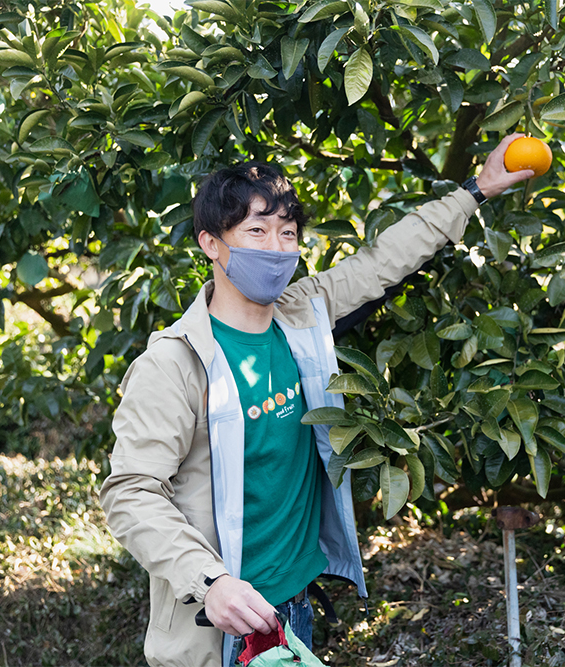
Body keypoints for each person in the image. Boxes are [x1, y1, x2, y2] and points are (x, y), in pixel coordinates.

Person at [99, 134, 535, 667]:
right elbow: (131, 492)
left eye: (287, 233)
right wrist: (210, 582)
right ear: (211, 243)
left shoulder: (302, 312)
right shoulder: (174, 363)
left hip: (293, 601)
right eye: (256, 231)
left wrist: (477, 190)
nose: (276, 248)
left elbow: (385, 259)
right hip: (221, 619)